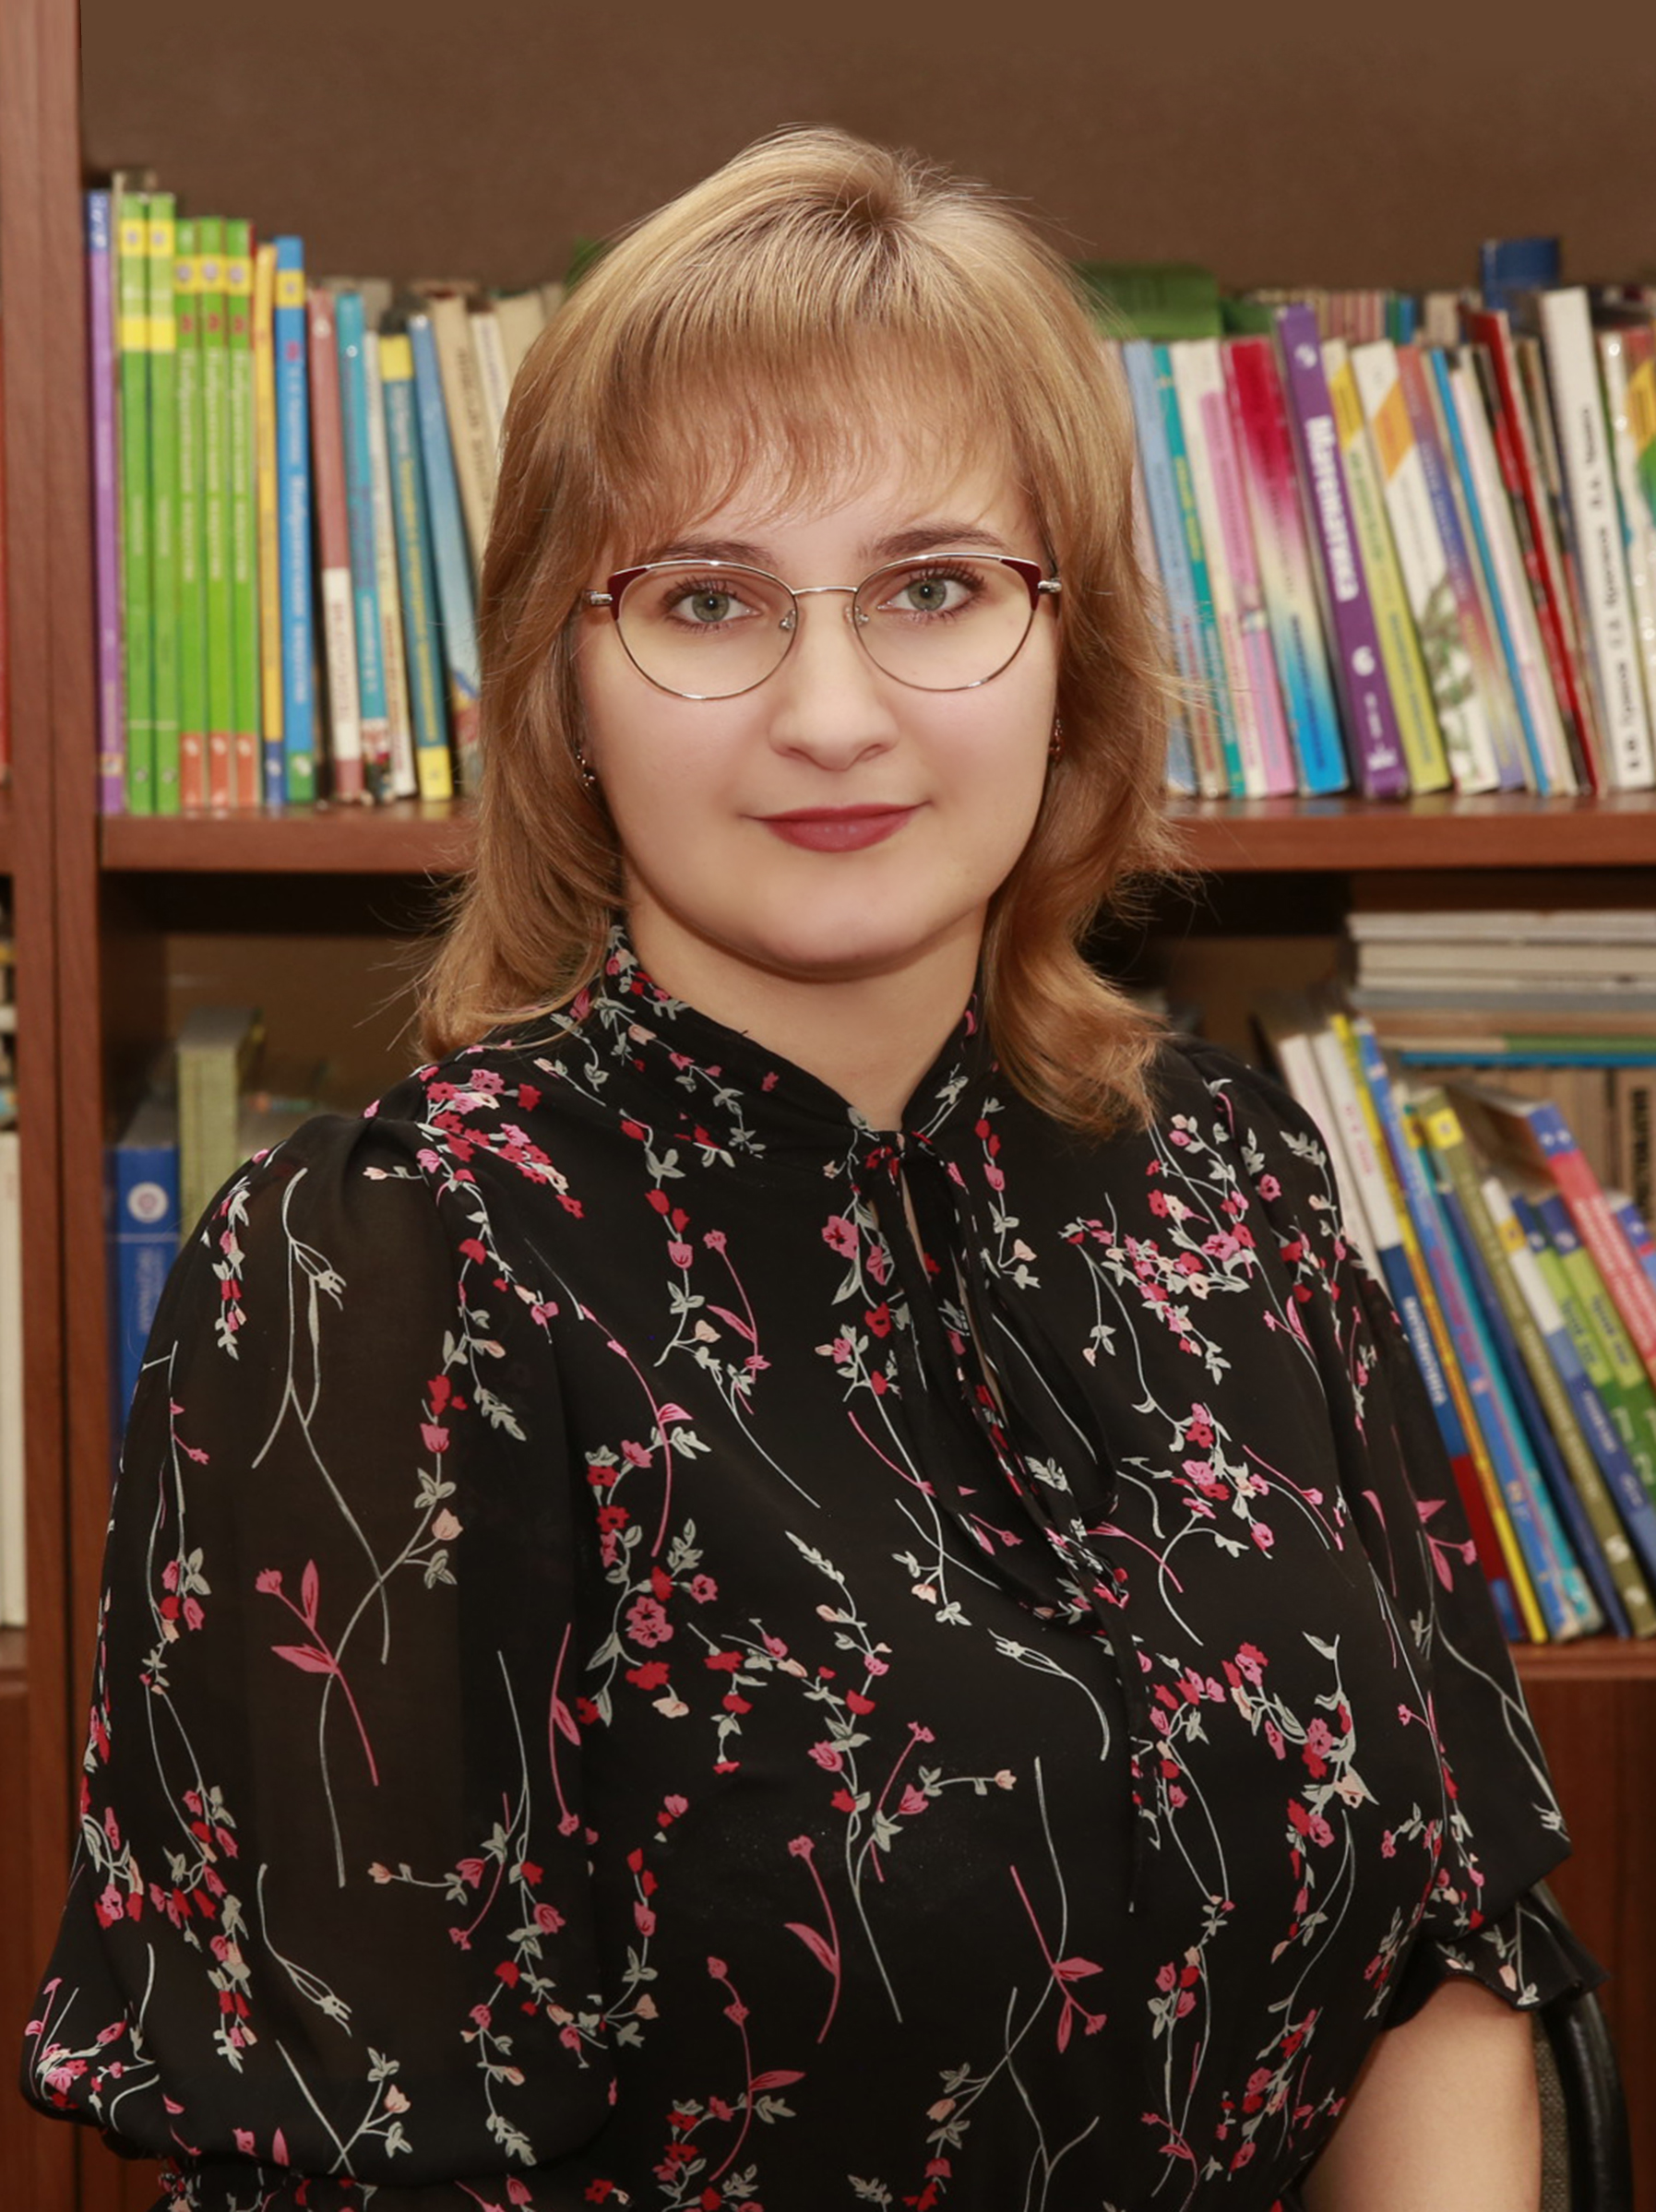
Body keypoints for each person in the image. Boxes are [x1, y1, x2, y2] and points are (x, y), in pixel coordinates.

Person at [24, 129, 1597, 2212]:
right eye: (707, 600)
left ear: (1073, 648)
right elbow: (364, 2147)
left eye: (935, 587)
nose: (833, 712)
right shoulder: (375, 1272)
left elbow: (1446, 1945)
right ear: (566, 687)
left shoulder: (1235, 1172)